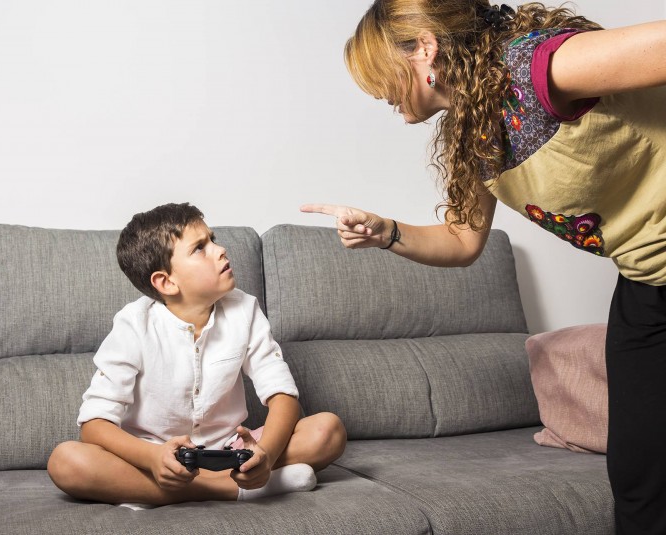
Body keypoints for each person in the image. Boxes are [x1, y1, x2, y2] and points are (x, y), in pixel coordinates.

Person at [301, 1, 666, 533]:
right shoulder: (476, 132)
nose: (375, 92)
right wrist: (387, 232)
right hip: (646, 281)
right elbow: (463, 240)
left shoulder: (539, 65)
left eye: (378, 72)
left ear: (424, 49)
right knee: (639, 477)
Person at [48, 202, 346, 508]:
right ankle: (234, 490)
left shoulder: (244, 309)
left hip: (232, 453)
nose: (221, 250)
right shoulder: (133, 324)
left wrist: (265, 455)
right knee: (66, 461)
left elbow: (282, 394)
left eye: (213, 240)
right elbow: (94, 424)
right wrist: (152, 459)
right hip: (154, 457)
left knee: (328, 431)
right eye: (200, 248)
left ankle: (187, 489)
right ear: (166, 282)